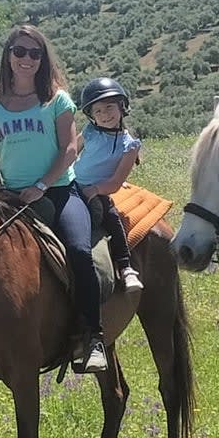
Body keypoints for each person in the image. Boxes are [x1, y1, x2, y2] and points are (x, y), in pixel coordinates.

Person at [0, 25, 108, 374]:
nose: (27, 59)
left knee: (79, 252)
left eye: (35, 54)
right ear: (8, 55)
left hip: (60, 192)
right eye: (20, 51)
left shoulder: (56, 100)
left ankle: (92, 337)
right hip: (10, 197)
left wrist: (42, 184)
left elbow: (68, 149)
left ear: (42, 59)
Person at [74, 77, 143, 296]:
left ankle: (126, 267)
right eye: (98, 111)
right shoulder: (90, 131)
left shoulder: (129, 145)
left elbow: (115, 181)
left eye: (109, 108)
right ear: (91, 116)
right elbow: (72, 151)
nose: (105, 115)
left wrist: (95, 190)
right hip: (73, 183)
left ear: (122, 107)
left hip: (99, 188)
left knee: (112, 218)